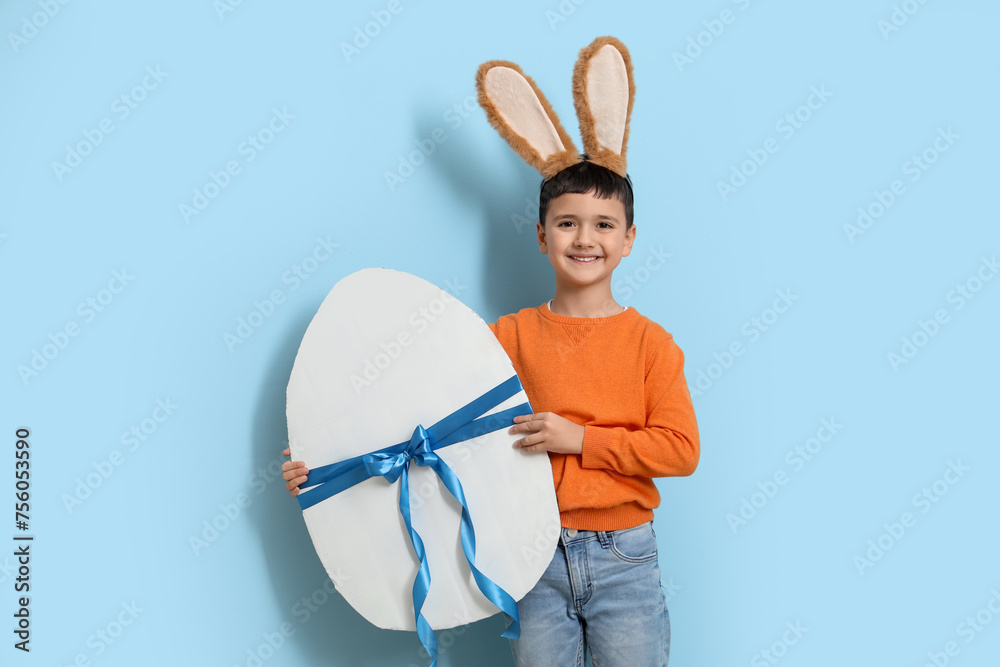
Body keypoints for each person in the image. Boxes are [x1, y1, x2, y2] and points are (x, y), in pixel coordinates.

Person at [281, 159, 699, 665]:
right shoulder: (503, 339)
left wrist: (583, 439)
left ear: (628, 239)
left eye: (603, 225)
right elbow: (427, 418)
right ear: (543, 237)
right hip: (531, 553)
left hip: (624, 558)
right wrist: (327, 463)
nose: (585, 238)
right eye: (568, 223)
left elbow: (680, 450)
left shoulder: (652, 345)